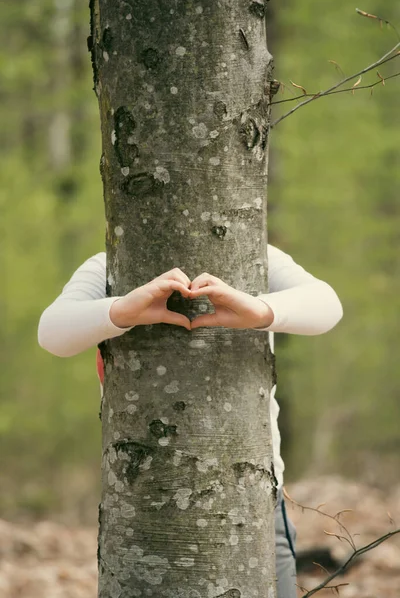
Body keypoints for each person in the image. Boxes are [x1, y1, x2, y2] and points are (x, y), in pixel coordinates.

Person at [38, 244, 343, 598]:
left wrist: (260, 310)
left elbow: (327, 306)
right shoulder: (109, 262)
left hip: (258, 503)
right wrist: (122, 310)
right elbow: (52, 333)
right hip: (142, 503)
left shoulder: (254, 254)